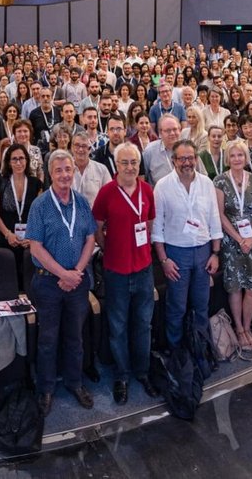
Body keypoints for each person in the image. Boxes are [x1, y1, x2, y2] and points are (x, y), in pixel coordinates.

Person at [27, 149, 97, 415]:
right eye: (59, 170)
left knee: (75, 337)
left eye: (68, 169)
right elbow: (35, 247)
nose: (65, 175)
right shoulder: (40, 205)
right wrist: (63, 274)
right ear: (50, 174)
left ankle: (75, 382)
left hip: (77, 282)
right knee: (47, 339)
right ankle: (45, 389)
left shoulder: (82, 202)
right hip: (48, 284)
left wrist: (76, 271)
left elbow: (90, 237)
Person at [92, 143, 160, 404]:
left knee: (143, 324)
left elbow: (150, 223)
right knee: (118, 327)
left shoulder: (147, 191)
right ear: (116, 165)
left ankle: (142, 371)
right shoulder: (106, 193)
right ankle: (122, 375)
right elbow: (97, 228)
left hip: (143, 269)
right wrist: (108, 247)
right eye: (124, 163)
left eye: (134, 162)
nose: (130, 167)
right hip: (116, 271)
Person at [152, 139, 222, 350]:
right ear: (174, 161)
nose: (186, 162)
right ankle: (177, 352)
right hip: (176, 254)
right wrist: (163, 260)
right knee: (177, 307)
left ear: (196, 159)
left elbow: (214, 219)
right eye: (181, 158)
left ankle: (200, 350)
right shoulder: (162, 186)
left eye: (190, 158)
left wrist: (216, 253)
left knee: (201, 305)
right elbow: (157, 228)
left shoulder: (206, 183)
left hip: (203, 252)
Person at [213, 140, 252, 357]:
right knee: (235, 287)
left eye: (240, 155)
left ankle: (247, 326)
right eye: (233, 156)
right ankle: (239, 328)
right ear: (228, 158)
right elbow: (220, 213)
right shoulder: (220, 181)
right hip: (231, 243)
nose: (237, 159)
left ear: (246, 157)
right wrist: (238, 238)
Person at [0, 143, 41, 282]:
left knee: (28, 281)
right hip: (6, 239)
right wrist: (7, 234)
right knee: (8, 281)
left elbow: (39, 216)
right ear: (8, 162)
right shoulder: (1, 182)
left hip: (29, 241)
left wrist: (31, 237)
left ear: (27, 160)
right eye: (14, 159)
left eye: (21, 158)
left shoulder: (36, 183)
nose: (18, 163)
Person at [70, 131, 111, 207]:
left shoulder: (102, 170)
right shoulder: (65, 170)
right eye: (77, 145)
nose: (81, 149)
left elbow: (110, 196)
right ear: (72, 148)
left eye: (84, 146)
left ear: (89, 149)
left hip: (94, 216)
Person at [142, 113, 181, 186]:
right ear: (160, 132)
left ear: (180, 130)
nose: (172, 133)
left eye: (175, 129)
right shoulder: (150, 151)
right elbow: (143, 179)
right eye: (168, 130)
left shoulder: (188, 149)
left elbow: (201, 175)